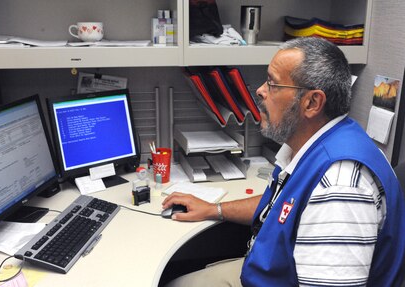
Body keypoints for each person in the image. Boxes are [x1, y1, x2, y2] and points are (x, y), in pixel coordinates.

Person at [163, 37, 405, 286]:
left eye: (273, 84)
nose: (260, 90)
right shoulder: (318, 143)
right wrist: (216, 210)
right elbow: (284, 205)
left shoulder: (339, 187)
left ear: (312, 102)